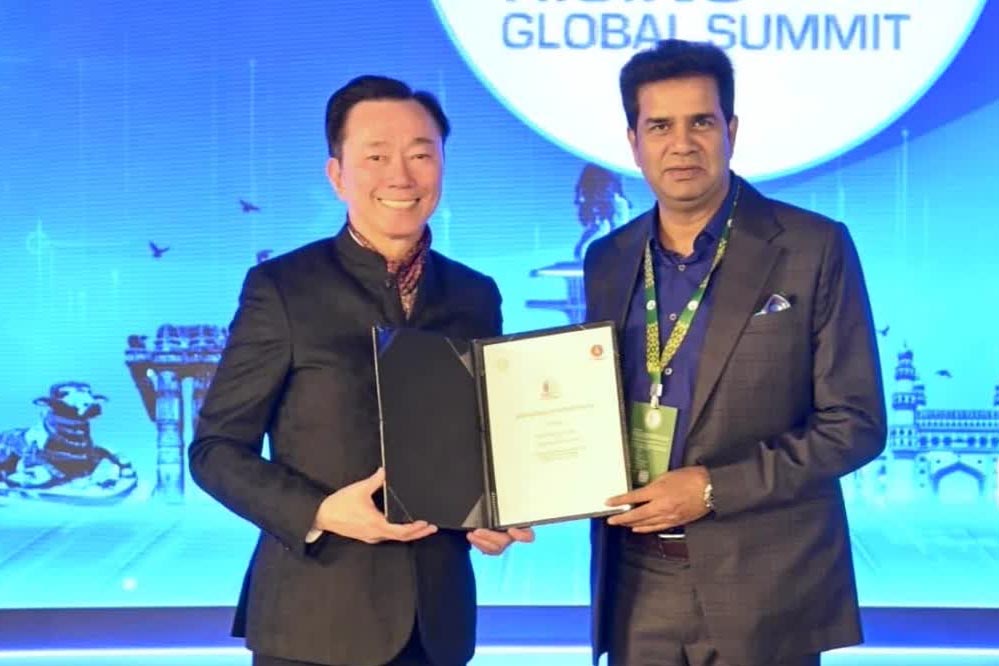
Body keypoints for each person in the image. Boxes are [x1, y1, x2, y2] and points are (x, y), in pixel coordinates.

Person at [189, 74, 533, 666]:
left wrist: (499, 512)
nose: (401, 176)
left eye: (421, 155)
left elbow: (484, 444)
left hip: (437, 625)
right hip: (315, 622)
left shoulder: (475, 295)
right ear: (337, 175)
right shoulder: (283, 289)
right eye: (376, 156)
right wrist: (320, 511)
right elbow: (215, 450)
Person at [583, 40, 886, 666]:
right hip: (635, 583)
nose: (682, 144)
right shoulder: (608, 259)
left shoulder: (812, 247)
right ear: (633, 142)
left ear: (732, 131)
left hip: (767, 588)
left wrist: (713, 488)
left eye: (701, 122)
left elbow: (854, 424)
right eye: (659, 126)